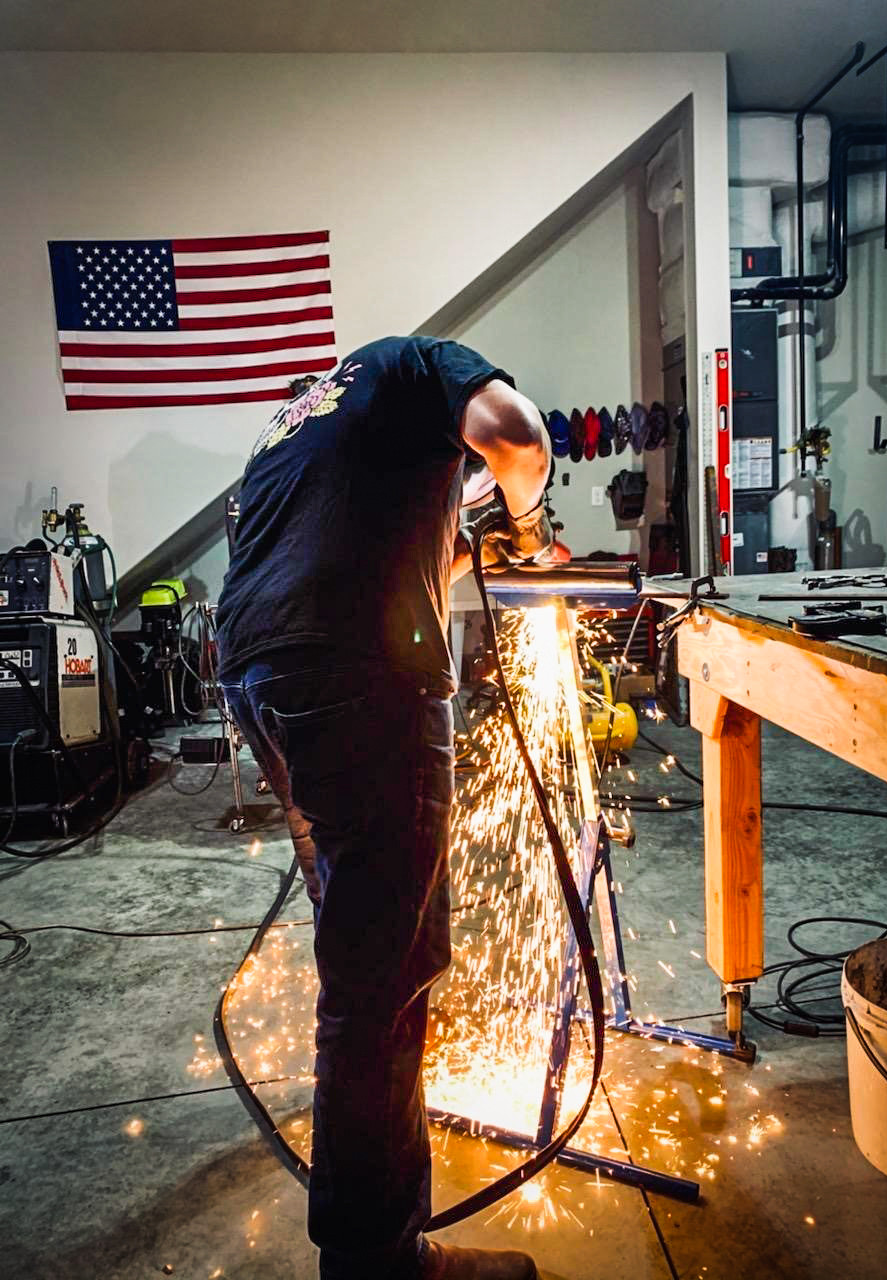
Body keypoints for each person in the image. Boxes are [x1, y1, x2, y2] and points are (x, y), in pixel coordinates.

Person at [216, 335, 564, 1280]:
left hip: (255, 677)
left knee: (361, 942)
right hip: (357, 682)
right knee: (383, 976)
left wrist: (469, 538)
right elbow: (518, 435)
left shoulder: (307, 422)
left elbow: (385, 561)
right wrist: (528, 522)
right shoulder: (421, 364)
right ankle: (379, 1262)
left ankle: (381, 1230)